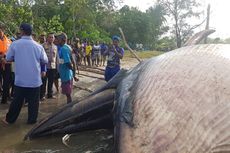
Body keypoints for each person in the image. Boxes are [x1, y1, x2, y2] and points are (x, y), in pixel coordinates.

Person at [2, 23, 48, 124]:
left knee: (17, 102)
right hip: (35, 80)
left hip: (21, 80)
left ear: (22, 31)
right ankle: (32, 121)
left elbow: (8, 58)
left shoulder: (15, 44)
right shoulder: (38, 46)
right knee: (34, 103)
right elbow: (45, 60)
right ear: (31, 33)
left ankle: (9, 120)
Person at [57, 33, 78, 104]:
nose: (57, 40)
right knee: (68, 92)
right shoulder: (68, 47)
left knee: (68, 93)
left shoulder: (64, 48)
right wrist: (74, 74)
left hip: (66, 73)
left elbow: (68, 62)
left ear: (63, 39)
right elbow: (73, 61)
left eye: (58, 39)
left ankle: (69, 106)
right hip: (68, 73)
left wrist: (72, 70)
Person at [42, 33, 58, 99]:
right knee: (44, 81)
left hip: (52, 66)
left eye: (52, 37)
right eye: (50, 37)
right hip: (45, 66)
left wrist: (57, 66)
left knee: (51, 81)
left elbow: (56, 57)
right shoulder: (43, 45)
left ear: (54, 39)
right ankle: (42, 95)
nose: (51, 38)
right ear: (47, 38)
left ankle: (50, 94)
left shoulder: (55, 47)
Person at [0, 24, 12, 104]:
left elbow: (11, 52)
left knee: (7, 81)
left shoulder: (9, 41)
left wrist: (4, 57)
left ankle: (5, 98)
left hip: (7, 63)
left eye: (1, 31)